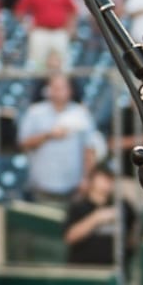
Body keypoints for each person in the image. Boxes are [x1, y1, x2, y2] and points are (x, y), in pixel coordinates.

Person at [19, 73, 103, 204]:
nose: (57, 92)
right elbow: (23, 143)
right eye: (54, 87)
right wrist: (48, 135)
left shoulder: (80, 114)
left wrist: (86, 178)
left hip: (73, 188)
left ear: (70, 90)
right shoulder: (35, 112)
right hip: (42, 188)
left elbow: (89, 148)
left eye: (62, 87)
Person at [61, 161, 129, 267]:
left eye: (111, 179)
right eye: (103, 177)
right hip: (84, 269)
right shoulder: (79, 206)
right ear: (93, 178)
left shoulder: (122, 205)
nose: (107, 182)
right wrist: (96, 218)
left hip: (113, 269)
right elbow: (70, 237)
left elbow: (134, 236)